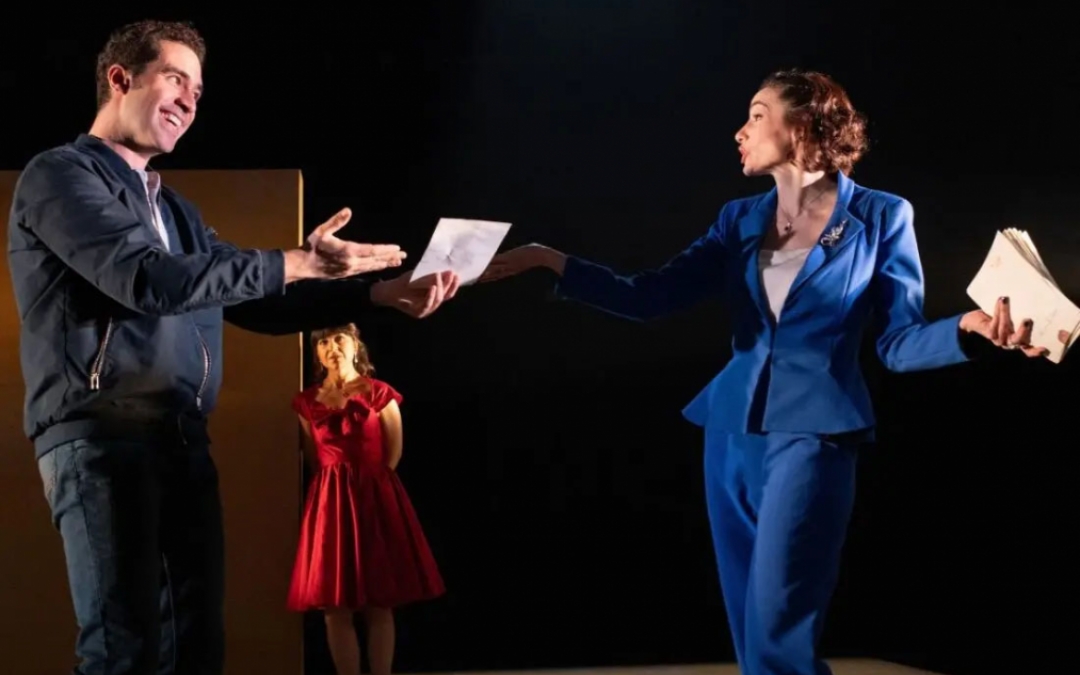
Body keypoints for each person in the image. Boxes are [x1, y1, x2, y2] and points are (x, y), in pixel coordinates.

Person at [479, 69, 1059, 675]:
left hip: (813, 433)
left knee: (778, 627)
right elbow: (650, 296)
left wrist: (967, 328)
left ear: (803, 124)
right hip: (730, 431)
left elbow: (897, 343)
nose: (740, 131)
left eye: (757, 115)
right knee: (750, 633)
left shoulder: (882, 215)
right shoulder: (737, 220)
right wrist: (550, 261)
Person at [6, 19, 459, 675]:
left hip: (181, 441)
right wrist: (296, 261)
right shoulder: (59, 176)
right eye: (175, 79)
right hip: (101, 440)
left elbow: (257, 300)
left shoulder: (178, 213)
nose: (189, 101)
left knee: (197, 647)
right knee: (125, 650)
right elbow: (147, 279)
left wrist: (378, 295)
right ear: (120, 78)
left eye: (198, 90)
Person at [287, 323, 444, 675]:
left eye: (338, 339)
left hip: (374, 500)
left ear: (356, 345)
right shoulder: (306, 402)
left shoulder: (379, 392)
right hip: (330, 505)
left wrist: (368, 488)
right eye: (323, 342)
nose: (331, 347)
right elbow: (313, 458)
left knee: (379, 602)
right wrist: (334, 489)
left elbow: (394, 452)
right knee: (335, 606)